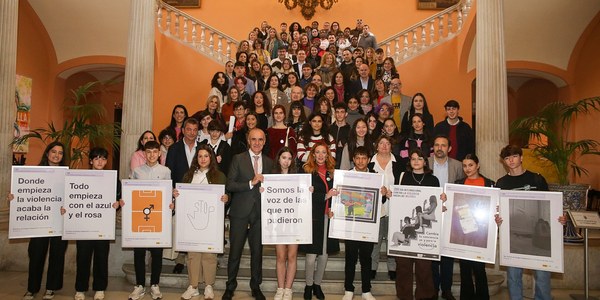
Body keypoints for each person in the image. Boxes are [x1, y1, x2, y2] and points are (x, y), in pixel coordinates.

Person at [495, 145, 566, 300]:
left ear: (521, 157)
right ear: (504, 161)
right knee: (513, 276)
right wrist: (497, 219)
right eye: (507, 158)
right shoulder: (501, 183)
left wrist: (559, 218)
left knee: (542, 277)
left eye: (514, 156)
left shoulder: (537, 179)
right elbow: (497, 210)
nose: (511, 160)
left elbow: (550, 206)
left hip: (538, 237)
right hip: (512, 238)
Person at [223, 128, 274, 300]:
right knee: (235, 252)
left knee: (257, 253)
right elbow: (230, 184)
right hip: (239, 213)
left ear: (265, 141)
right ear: (248, 140)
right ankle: (230, 286)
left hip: (260, 214)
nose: (257, 142)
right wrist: (250, 183)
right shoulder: (238, 159)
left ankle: (255, 286)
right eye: (254, 139)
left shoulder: (269, 162)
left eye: (260, 139)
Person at [176, 144, 229, 300]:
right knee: (193, 254)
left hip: (211, 221)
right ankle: (192, 286)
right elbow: (182, 196)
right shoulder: (188, 175)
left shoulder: (219, 176)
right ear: (196, 158)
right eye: (200, 156)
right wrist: (177, 194)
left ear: (211, 158)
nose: (203, 159)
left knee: (209, 254)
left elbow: (226, 195)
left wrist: (226, 198)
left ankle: (208, 286)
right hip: (192, 221)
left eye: (206, 156)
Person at [17, 141, 68, 300]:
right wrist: (14, 197)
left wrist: (66, 207)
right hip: (39, 222)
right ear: (47, 153)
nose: (56, 155)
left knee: (57, 255)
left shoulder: (67, 175)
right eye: (54, 151)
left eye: (60, 153)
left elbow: (72, 196)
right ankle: (32, 289)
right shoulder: (34, 173)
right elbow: (25, 193)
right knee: (36, 255)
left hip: (59, 222)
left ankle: (51, 288)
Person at [70, 148, 120, 300]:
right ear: (91, 160)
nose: (100, 161)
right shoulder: (80, 177)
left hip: (102, 225)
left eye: (103, 159)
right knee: (83, 257)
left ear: (106, 161)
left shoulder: (113, 179)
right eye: (96, 158)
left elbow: (119, 198)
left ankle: (99, 288)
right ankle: (80, 288)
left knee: (101, 257)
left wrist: (118, 203)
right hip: (84, 225)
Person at [128, 141, 173, 300]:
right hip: (141, 217)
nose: (152, 155)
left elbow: (168, 194)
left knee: (157, 253)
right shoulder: (137, 171)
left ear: (159, 154)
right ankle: (139, 285)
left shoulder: (166, 171)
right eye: (149, 152)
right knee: (139, 252)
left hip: (158, 218)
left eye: (155, 152)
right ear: (144, 154)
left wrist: (171, 203)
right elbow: (130, 193)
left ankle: (154, 284)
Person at [395, 149, 440, 300]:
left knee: (424, 268)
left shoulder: (433, 180)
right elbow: (398, 198)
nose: (416, 161)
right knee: (403, 267)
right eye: (413, 159)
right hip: (406, 226)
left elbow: (435, 204)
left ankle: (424, 296)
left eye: (419, 158)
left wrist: (442, 200)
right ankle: (404, 296)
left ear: (425, 161)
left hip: (425, 230)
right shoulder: (404, 176)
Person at [298, 142, 340, 300]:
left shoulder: (333, 173)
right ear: (313, 154)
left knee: (324, 254)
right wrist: (325, 196)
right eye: (318, 152)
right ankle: (308, 286)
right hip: (312, 217)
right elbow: (304, 195)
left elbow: (337, 194)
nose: (321, 155)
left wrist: (333, 207)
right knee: (311, 255)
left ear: (327, 154)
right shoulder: (307, 171)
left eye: (324, 152)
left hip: (328, 217)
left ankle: (317, 284)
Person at [340, 146, 381, 300]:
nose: (360, 161)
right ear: (353, 160)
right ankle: (348, 289)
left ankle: (366, 290)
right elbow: (340, 199)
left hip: (367, 225)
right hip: (350, 223)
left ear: (369, 160)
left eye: (364, 158)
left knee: (366, 258)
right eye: (357, 158)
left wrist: (382, 193)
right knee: (350, 257)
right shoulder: (346, 176)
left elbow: (380, 201)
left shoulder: (376, 176)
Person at [452, 154, 495, 300]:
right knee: (464, 269)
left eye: (470, 165)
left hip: (481, 233)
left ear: (477, 165)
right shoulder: (458, 183)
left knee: (479, 269)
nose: (467, 169)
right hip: (463, 232)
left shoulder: (489, 184)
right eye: (464, 166)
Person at [427, 135, 464, 300]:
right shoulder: (425, 162)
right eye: (436, 145)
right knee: (432, 254)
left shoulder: (457, 165)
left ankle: (446, 289)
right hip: (430, 214)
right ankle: (433, 288)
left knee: (447, 254)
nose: (439, 148)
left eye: (443, 145)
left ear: (449, 148)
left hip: (450, 215)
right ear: (433, 147)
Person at [368, 136, 402, 281]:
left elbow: (403, 185)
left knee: (392, 239)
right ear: (377, 146)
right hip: (376, 208)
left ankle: (392, 267)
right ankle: (372, 267)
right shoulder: (370, 164)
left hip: (394, 207)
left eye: (387, 143)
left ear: (391, 146)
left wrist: (395, 193)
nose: (384, 146)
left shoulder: (399, 163)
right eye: (381, 143)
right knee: (375, 240)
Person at [269, 147, 299, 300]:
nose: (286, 161)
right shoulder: (271, 178)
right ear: (278, 159)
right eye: (283, 157)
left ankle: (288, 289)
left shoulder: (298, 178)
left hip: (294, 221)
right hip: (278, 222)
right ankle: (280, 288)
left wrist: (309, 190)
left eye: (289, 158)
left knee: (292, 256)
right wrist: (263, 191)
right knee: (280, 256)